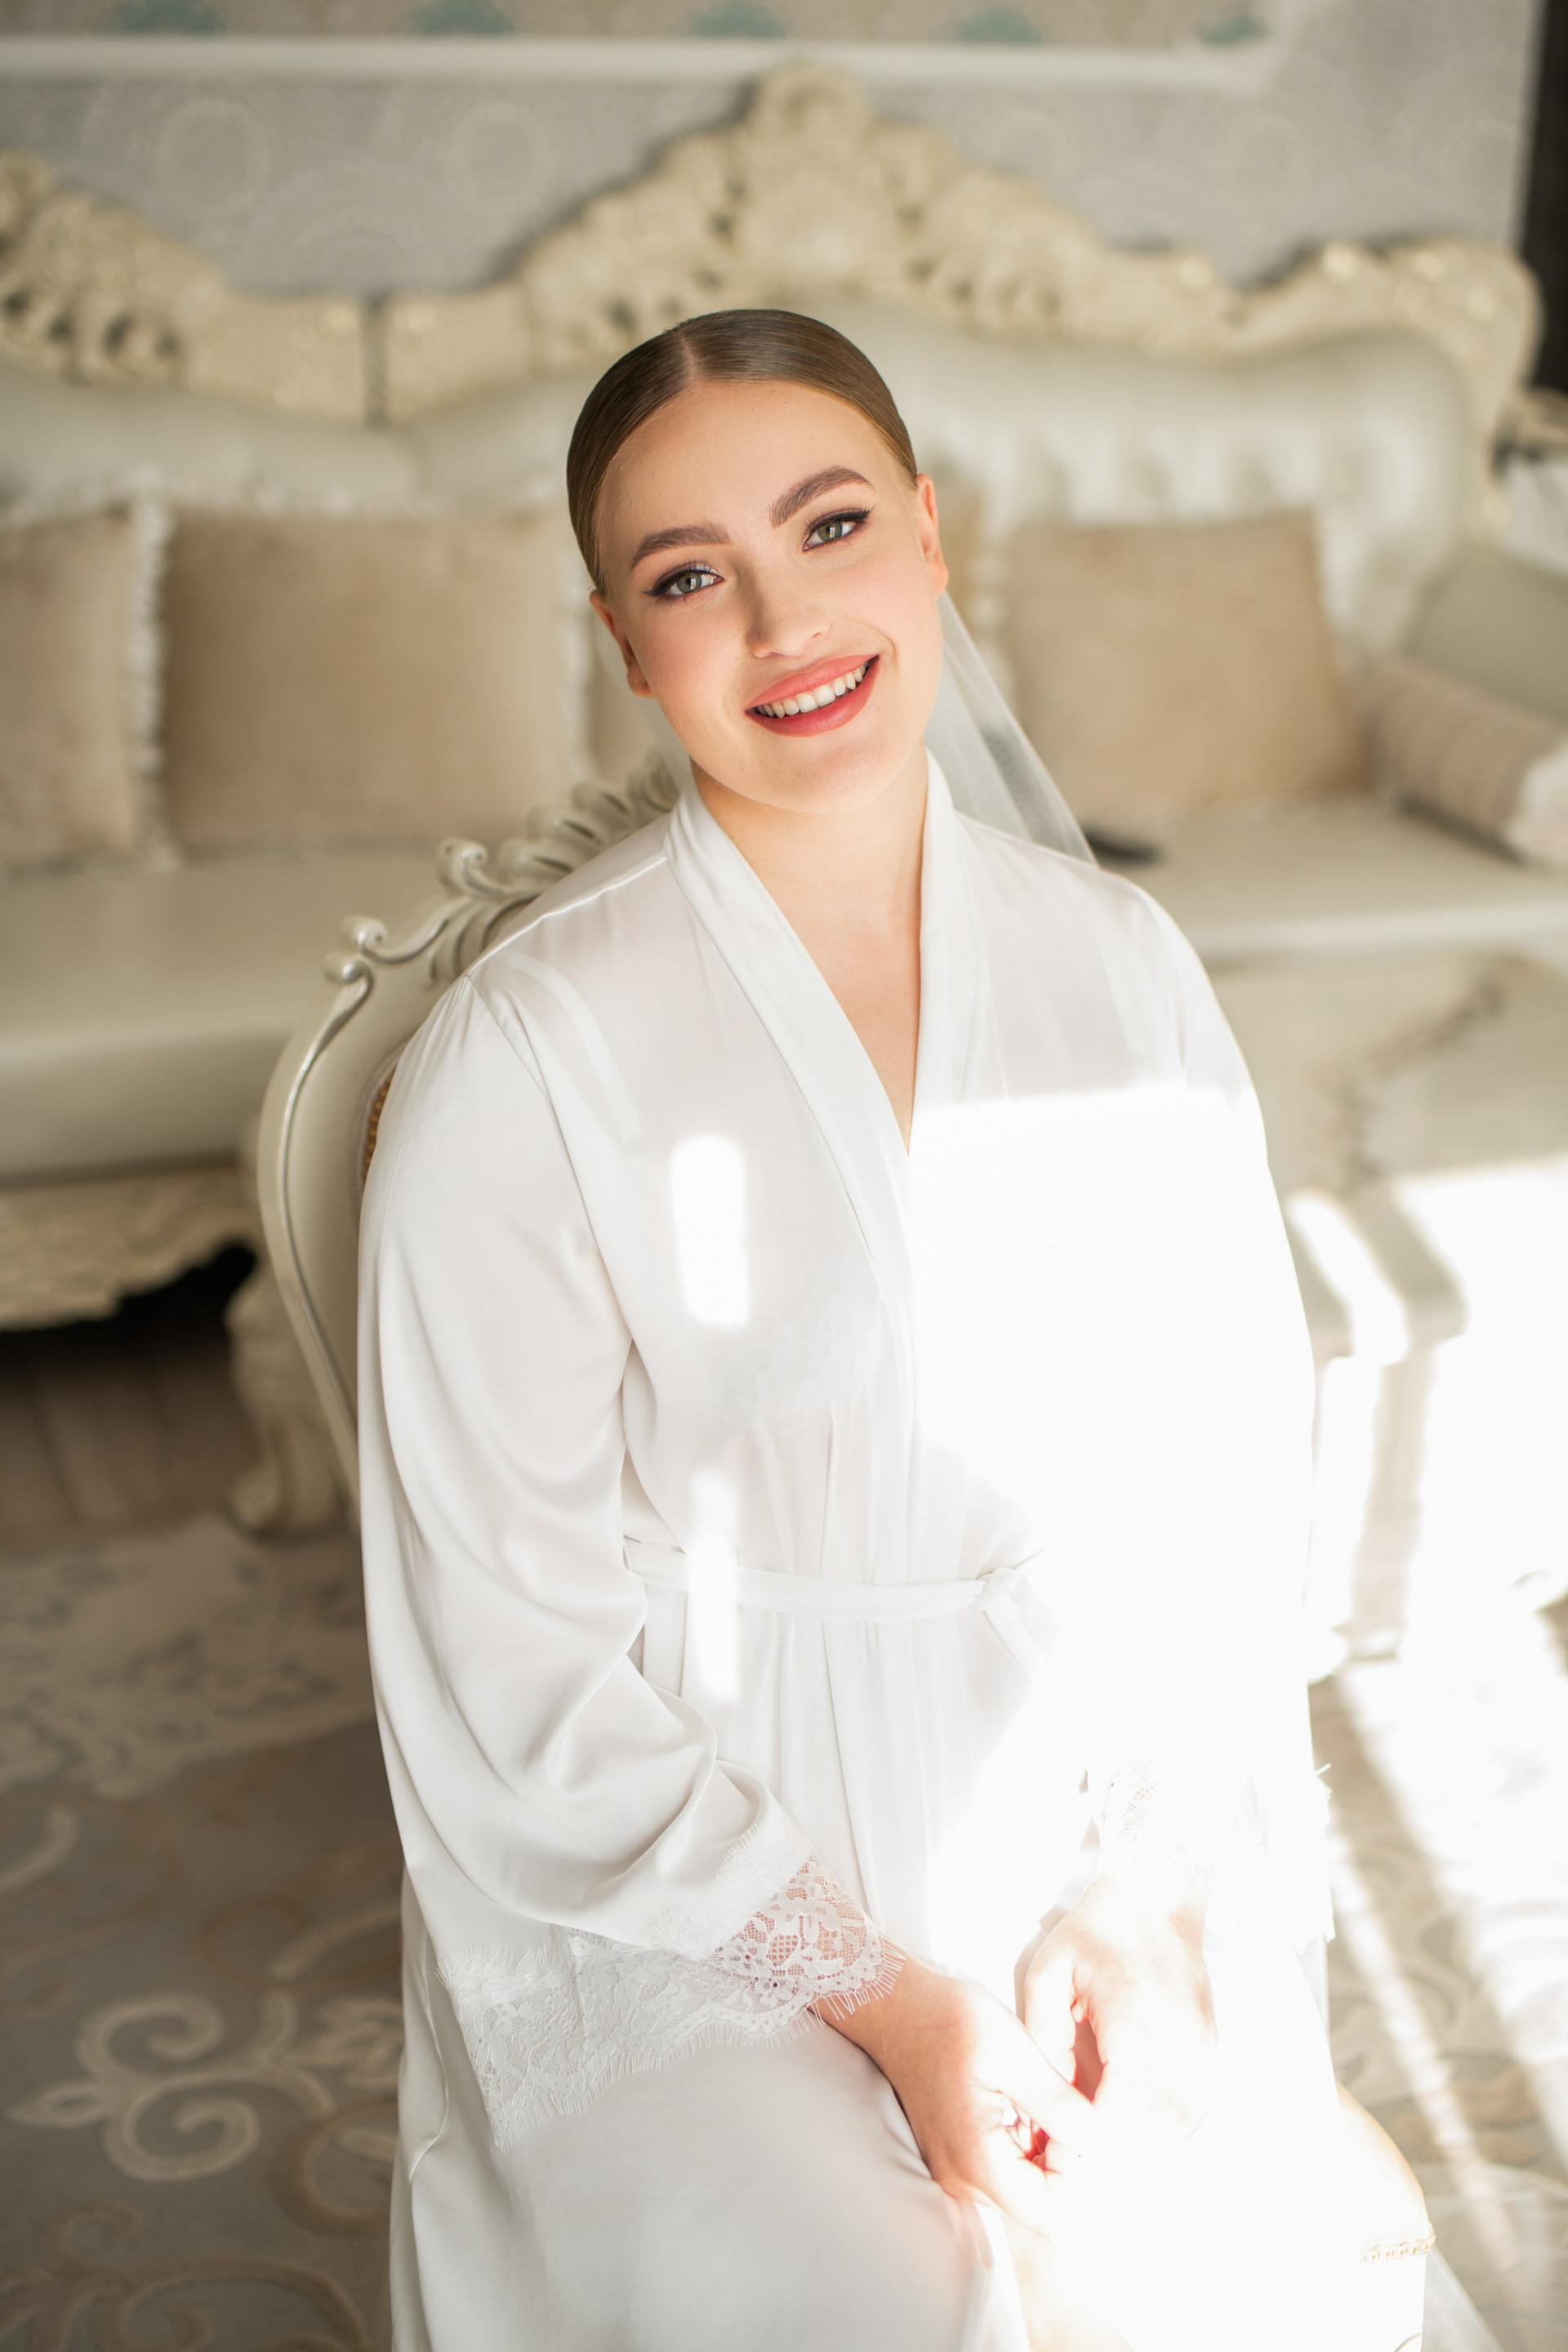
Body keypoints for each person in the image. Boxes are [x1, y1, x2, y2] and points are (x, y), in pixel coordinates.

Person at [358, 310, 1431, 2352]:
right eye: (692, 577)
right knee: (871, 2294)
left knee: (1230, 2260)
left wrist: (1136, 1895)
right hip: (678, 1878)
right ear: (624, 641)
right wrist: (892, 2000)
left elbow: (1215, 1501)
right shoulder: (533, 1052)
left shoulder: (1124, 971)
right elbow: (511, 1657)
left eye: (830, 525)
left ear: (929, 533)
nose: (784, 624)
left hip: (1073, 1822)